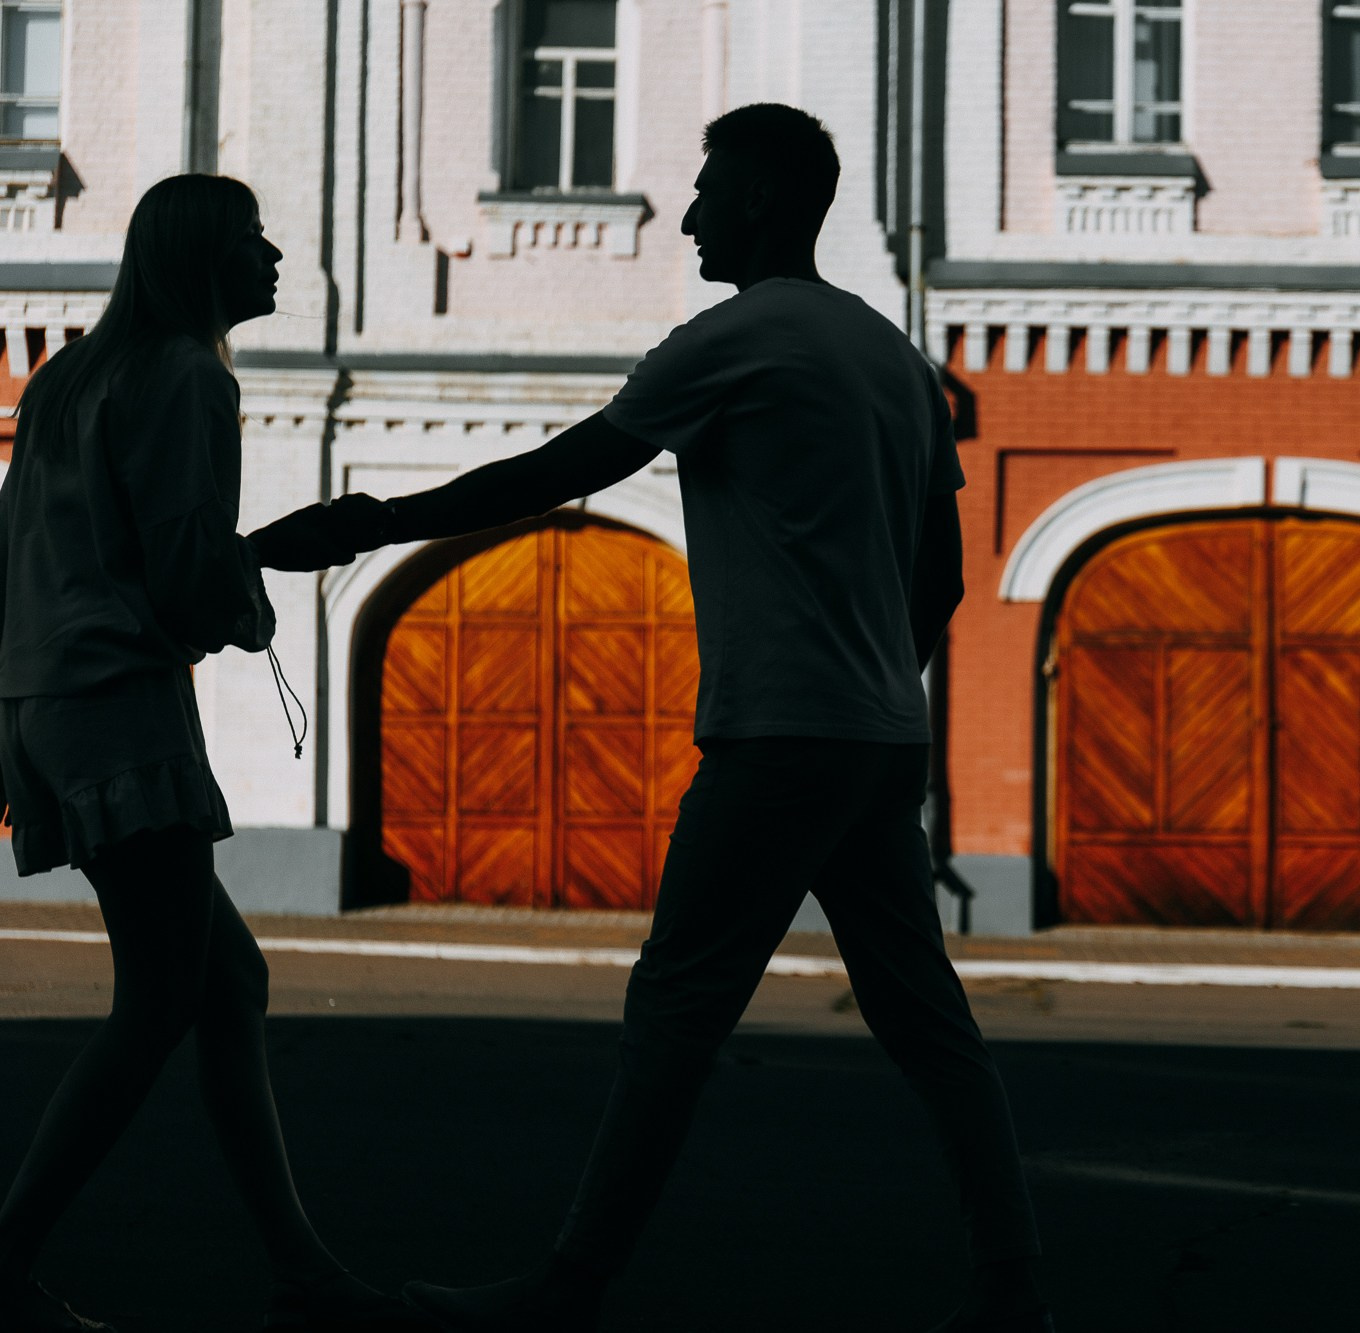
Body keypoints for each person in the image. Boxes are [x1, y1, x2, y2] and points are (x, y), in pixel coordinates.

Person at [251, 103, 1053, 1333]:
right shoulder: (891, 356)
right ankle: (1014, 1290)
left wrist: (370, 524)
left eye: (708, 189)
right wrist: (873, 682)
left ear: (763, 199)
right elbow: (940, 574)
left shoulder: (732, 338)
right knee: (928, 1024)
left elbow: (559, 472)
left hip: (775, 739)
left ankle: (566, 1289)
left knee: (675, 1008)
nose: (687, 215)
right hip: (880, 741)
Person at [0, 174, 429, 1332]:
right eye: (251, 237)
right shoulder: (191, 376)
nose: (274, 254)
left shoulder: (66, 378)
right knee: (158, 1001)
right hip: (120, 703)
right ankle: (8, 1255)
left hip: (49, 700)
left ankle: (299, 1262)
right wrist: (269, 566)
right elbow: (186, 578)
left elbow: (36, 555)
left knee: (226, 983)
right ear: (200, 258)